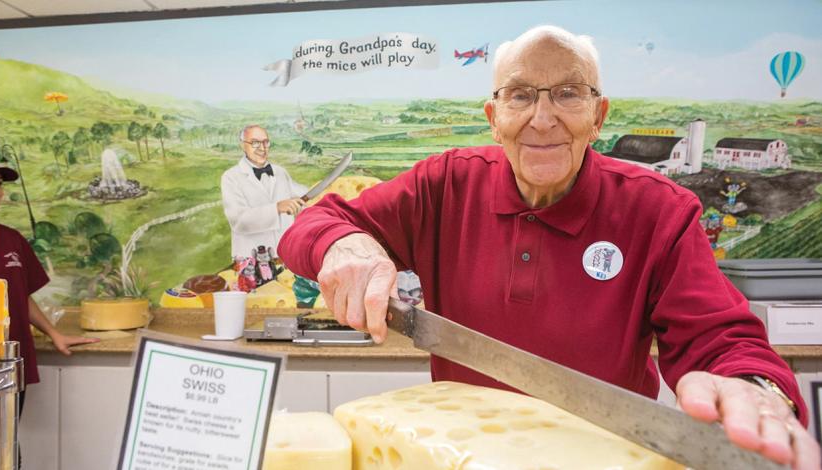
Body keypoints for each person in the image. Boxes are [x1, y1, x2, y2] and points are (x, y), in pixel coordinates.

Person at [278, 26, 821, 469]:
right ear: (494, 118)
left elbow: (721, 337)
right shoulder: (444, 184)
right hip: (457, 456)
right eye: (520, 96)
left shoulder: (658, 210)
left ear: (598, 115)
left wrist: (756, 389)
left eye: (567, 93)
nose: (542, 119)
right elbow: (318, 222)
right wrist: (341, 244)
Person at [0, 157, 98, 469]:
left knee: (1, 455)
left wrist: (54, 333)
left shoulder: (12, 240)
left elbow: (20, 295)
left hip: (9, 366)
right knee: (4, 457)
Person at [221, 125, 307, 258]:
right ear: (243, 145)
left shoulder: (280, 171)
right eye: (255, 143)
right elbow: (239, 221)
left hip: (286, 254)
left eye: (266, 142)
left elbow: (302, 195)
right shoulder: (231, 177)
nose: (262, 148)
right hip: (251, 258)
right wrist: (276, 208)